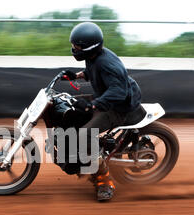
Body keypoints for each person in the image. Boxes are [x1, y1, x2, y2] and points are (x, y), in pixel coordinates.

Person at [62, 22, 146, 201]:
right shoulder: (94, 56)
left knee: (85, 134)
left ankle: (104, 180)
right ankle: (77, 156)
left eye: (77, 46)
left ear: (88, 47)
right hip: (108, 96)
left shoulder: (106, 63)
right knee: (72, 107)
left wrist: (94, 105)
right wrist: (76, 76)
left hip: (120, 106)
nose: (74, 49)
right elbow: (93, 70)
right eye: (73, 45)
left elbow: (118, 92)